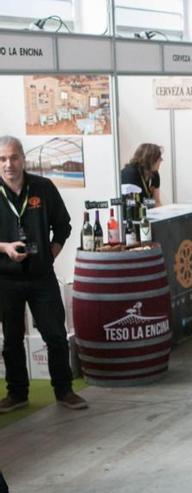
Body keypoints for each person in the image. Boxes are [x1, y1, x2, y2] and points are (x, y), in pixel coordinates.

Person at [0, 135, 87, 413]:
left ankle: (64, 391)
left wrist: (51, 254)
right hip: (6, 278)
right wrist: (5, 248)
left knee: (55, 336)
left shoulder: (43, 187)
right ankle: (17, 394)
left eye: (13, 157)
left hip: (41, 278)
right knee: (12, 339)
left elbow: (64, 226)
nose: (8, 164)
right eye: (2, 159)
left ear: (23, 159)